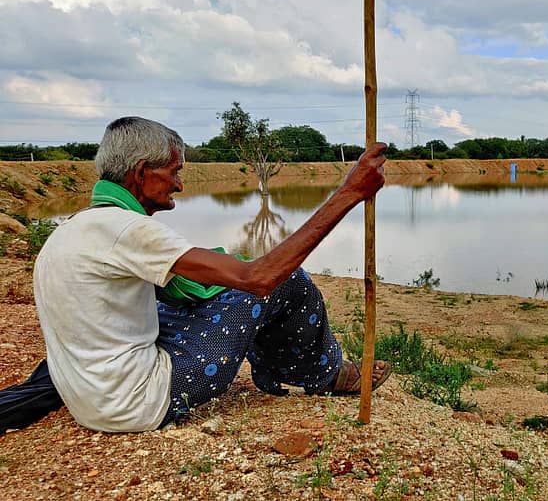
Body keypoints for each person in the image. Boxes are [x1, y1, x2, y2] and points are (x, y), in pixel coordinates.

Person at [33, 117, 391, 433]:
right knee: (287, 281)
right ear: (142, 172)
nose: (179, 185)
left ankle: (275, 367)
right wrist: (349, 193)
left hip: (89, 401)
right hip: (137, 404)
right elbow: (259, 278)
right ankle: (324, 373)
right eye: (173, 172)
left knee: (203, 293)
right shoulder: (126, 230)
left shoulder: (71, 229)